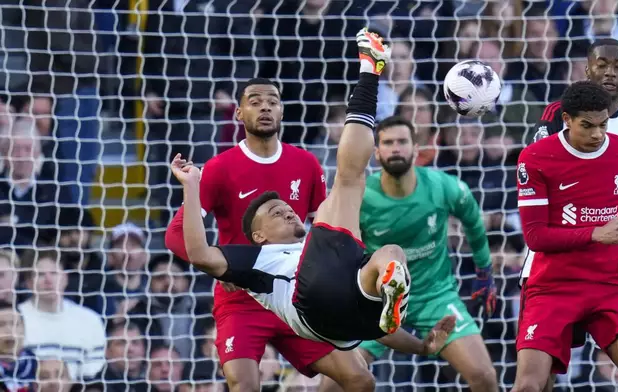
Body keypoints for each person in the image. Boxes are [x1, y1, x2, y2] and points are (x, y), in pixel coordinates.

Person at [170, 26, 456, 357]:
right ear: (259, 235)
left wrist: (422, 346)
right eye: (276, 212)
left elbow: (383, 333)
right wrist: (191, 187)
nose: (289, 209)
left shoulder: (307, 218)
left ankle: (388, 284)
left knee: (390, 254)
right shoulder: (257, 259)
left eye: (287, 208)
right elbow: (199, 253)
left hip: (349, 321)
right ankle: (369, 70)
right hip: (309, 297)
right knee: (350, 181)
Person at [164, 71, 374, 390]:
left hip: (296, 292)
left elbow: (327, 230)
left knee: (359, 379)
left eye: (272, 101)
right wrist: (224, 272)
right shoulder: (221, 167)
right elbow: (174, 236)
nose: (265, 107)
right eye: (255, 101)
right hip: (243, 298)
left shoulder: (306, 164)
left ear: (282, 111)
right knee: (244, 385)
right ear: (239, 113)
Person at [318, 115, 498, 392]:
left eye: (402, 141)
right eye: (388, 143)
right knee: (332, 386)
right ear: (376, 152)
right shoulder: (362, 197)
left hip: (434, 297)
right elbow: (335, 244)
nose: (396, 148)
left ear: (416, 148)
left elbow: (473, 221)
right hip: (374, 301)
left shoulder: (443, 186)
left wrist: (484, 272)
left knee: (484, 377)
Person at [521, 38, 618, 391]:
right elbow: (536, 232)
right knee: (537, 381)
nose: (609, 72)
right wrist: (596, 232)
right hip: (551, 276)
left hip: (609, 274)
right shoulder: (546, 138)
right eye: (601, 64)